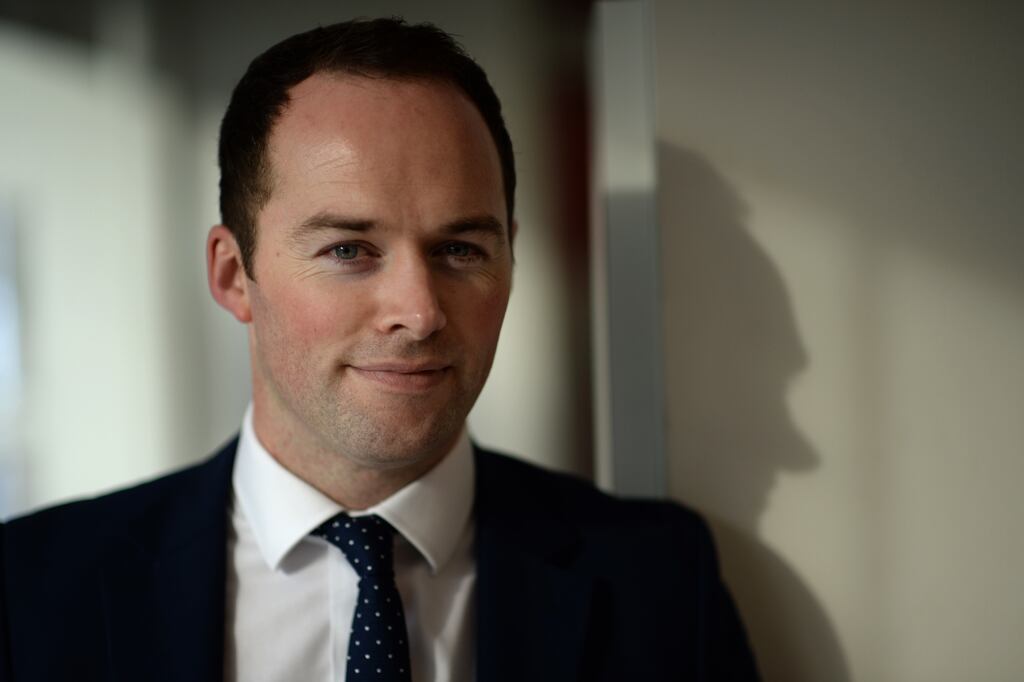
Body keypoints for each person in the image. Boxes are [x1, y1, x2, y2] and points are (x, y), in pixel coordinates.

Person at [0, 18, 758, 681]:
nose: (420, 312)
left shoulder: (659, 585)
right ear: (235, 276)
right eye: (350, 250)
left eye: (460, 249)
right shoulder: (29, 591)